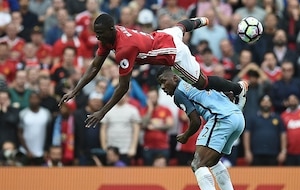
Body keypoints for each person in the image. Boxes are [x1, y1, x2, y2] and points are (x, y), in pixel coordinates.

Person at [59, 13, 248, 128]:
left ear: (111, 29)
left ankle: (238, 88)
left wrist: (103, 111)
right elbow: (95, 65)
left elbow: (123, 87)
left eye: (100, 34)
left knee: (201, 82)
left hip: (173, 52)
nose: (98, 37)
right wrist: (75, 90)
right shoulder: (108, 36)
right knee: (179, 27)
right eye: (96, 34)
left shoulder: (125, 49)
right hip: (160, 35)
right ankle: (202, 20)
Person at [157, 66, 244, 190]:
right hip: (238, 118)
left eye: (164, 81)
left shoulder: (179, 93)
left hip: (221, 118)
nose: (163, 87)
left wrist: (186, 135)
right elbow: (226, 92)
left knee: (197, 163)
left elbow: (195, 121)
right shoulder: (197, 81)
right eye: (160, 84)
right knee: (213, 161)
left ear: (175, 78)